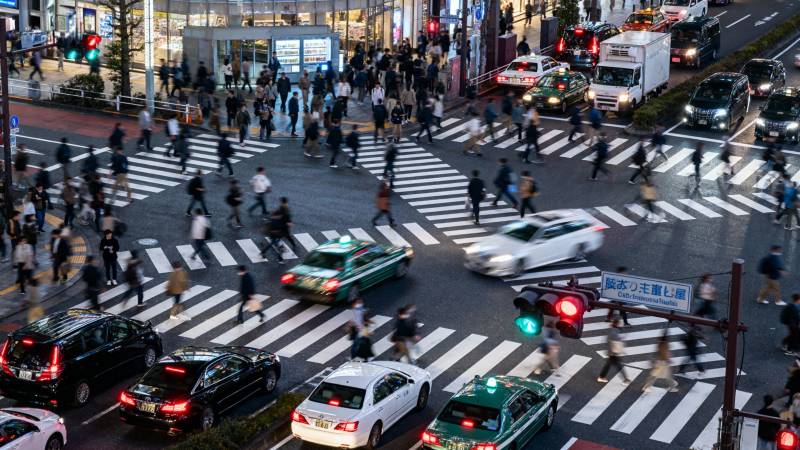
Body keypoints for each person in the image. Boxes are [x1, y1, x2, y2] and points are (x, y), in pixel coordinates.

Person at [597, 319, 631, 383]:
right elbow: (616, 341)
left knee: (609, 365)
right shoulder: (614, 332)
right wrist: (622, 339)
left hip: (612, 352)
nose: (620, 324)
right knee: (618, 365)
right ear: (617, 324)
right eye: (619, 323)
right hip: (613, 352)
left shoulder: (613, 330)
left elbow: (609, 340)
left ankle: (601, 377)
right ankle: (626, 379)